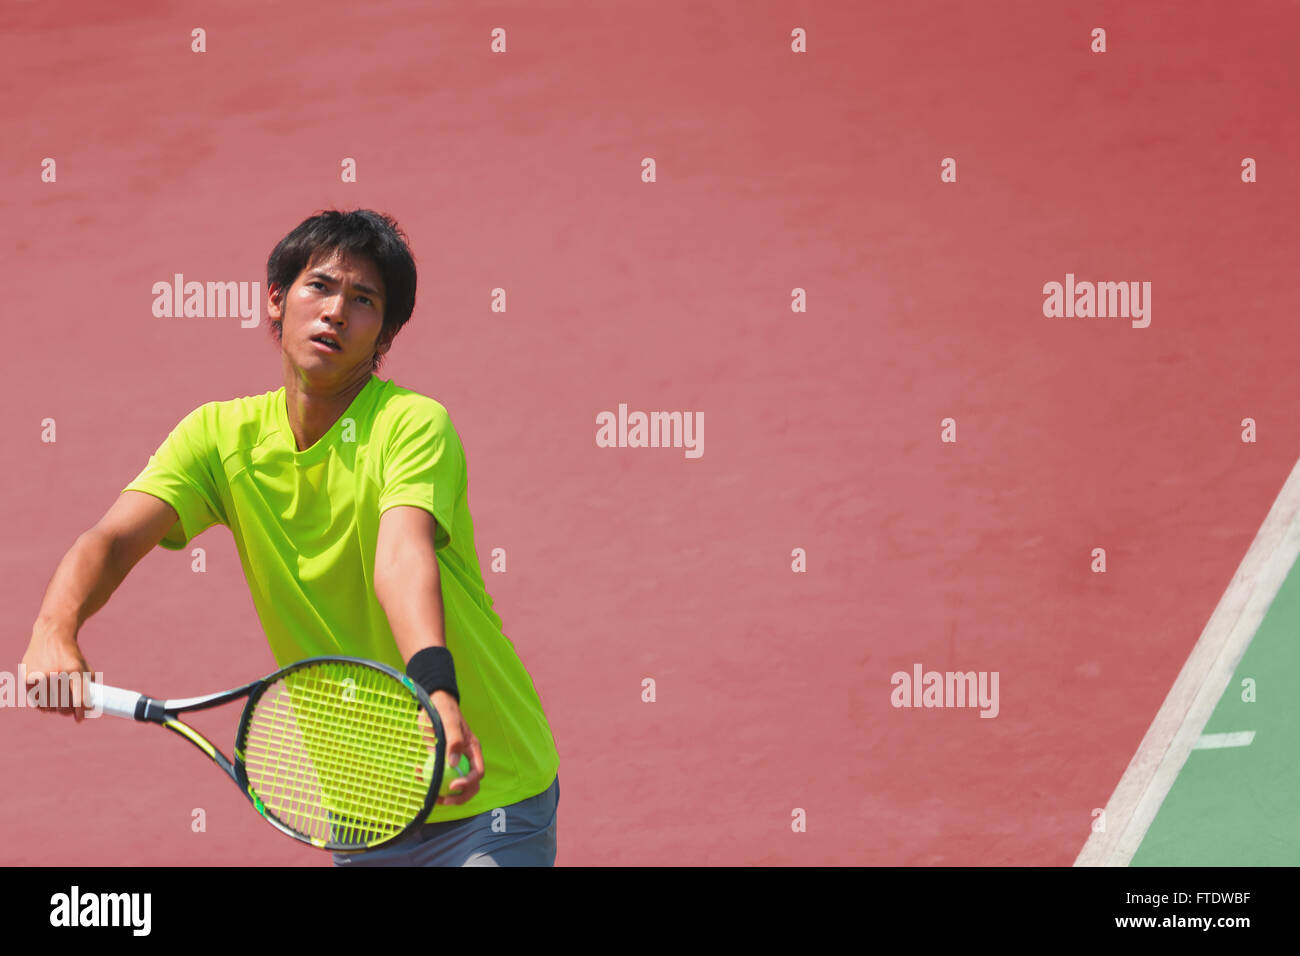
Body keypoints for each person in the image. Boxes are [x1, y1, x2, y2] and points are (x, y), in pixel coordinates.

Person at [21, 209, 560, 866]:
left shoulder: (411, 425)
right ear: (276, 299)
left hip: (490, 792)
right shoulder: (219, 439)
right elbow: (110, 541)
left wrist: (437, 693)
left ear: (384, 332)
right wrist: (54, 630)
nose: (336, 312)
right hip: (366, 820)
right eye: (320, 287)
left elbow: (400, 557)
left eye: (364, 301)